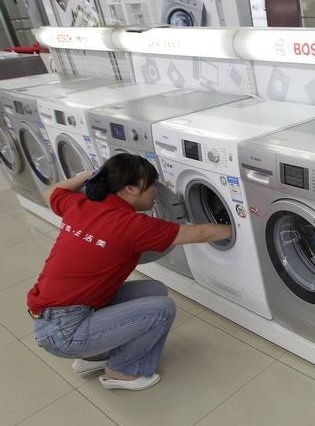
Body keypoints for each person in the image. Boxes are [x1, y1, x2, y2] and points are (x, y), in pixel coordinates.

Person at [26, 153, 232, 391]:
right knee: (162, 310)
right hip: (65, 331)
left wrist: (87, 177)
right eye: (151, 185)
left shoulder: (80, 204)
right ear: (131, 189)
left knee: (154, 290)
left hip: (54, 315)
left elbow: (50, 192)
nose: (156, 191)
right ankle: (123, 371)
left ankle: (91, 357)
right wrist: (242, 228)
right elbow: (201, 233)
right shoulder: (131, 226)